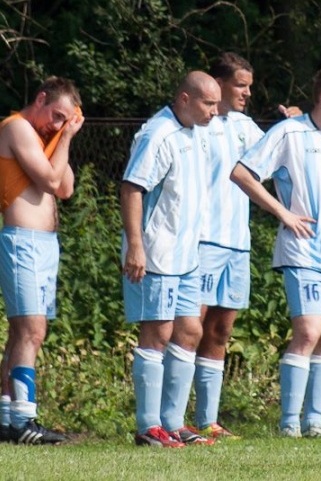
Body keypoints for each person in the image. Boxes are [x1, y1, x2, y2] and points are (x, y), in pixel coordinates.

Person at [231, 63, 321, 438]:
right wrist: (282, 212)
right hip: (303, 252)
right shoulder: (288, 132)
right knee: (308, 331)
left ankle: (315, 421)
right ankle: (289, 422)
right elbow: (242, 173)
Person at [192, 53, 299, 440]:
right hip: (202, 240)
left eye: (249, 86)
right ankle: (171, 420)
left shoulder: (244, 125)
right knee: (190, 327)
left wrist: (294, 126)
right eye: (240, 85)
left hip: (237, 244)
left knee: (220, 331)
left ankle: (207, 420)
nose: (247, 93)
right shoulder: (192, 125)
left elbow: (276, 155)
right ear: (217, 84)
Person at [121, 71, 221, 448]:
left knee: (191, 331)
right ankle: (149, 427)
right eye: (208, 103)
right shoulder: (157, 134)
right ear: (183, 99)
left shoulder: (197, 133)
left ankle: (174, 423)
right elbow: (132, 188)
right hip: (157, 254)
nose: (215, 111)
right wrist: (135, 246)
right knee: (158, 333)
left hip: (186, 255)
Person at [0, 76, 84, 444]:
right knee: (32, 331)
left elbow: (66, 188)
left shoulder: (46, 140)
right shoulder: (17, 128)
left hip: (43, 245)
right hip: (24, 243)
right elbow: (48, 180)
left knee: (21, 334)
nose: (57, 125)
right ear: (40, 97)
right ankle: (24, 420)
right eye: (56, 115)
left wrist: (60, 137)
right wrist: (67, 137)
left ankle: (8, 420)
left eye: (66, 121)